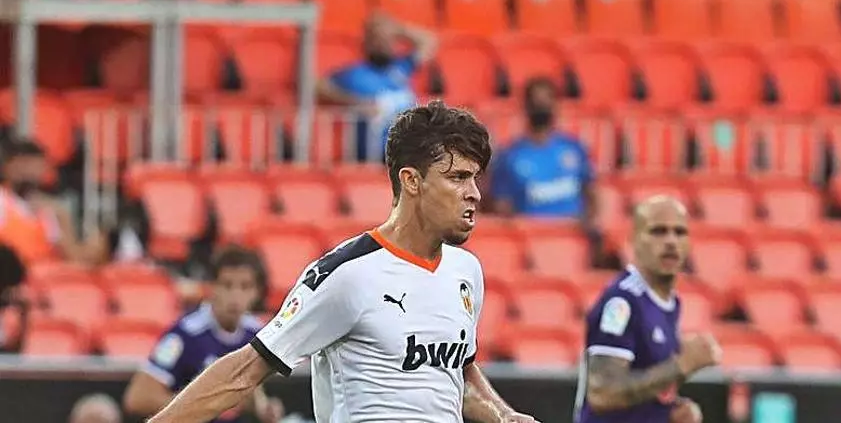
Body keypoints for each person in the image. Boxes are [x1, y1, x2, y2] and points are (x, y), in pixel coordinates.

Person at [146, 101, 538, 423]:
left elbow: (457, 372)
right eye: (457, 178)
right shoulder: (347, 275)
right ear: (412, 181)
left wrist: (503, 415)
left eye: (475, 179)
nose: (474, 194)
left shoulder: (465, 272)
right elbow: (244, 371)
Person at [573, 195, 722, 423]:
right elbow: (603, 393)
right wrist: (682, 365)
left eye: (679, 232)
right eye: (658, 231)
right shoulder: (622, 302)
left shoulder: (670, 303)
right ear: (634, 239)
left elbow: (645, 380)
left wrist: (668, 412)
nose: (671, 241)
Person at [123, 245, 285, 423]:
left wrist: (264, 409)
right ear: (212, 287)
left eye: (245, 287)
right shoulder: (184, 335)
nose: (235, 296)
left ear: (257, 292)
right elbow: (138, 398)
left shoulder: (258, 333)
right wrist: (203, 407)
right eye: (227, 285)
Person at [490, 78, 602, 258]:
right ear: (525, 106)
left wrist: (589, 222)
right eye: (536, 101)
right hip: (532, 240)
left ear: (556, 104)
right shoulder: (510, 156)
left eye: (547, 99)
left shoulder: (574, 148)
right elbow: (501, 205)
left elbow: (592, 192)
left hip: (573, 237)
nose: (541, 105)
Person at [316, 12, 437, 162]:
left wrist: (397, 29)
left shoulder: (401, 67)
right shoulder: (355, 75)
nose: (384, 44)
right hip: (379, 153)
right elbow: (317, 87)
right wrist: (357, 103)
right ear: (367, 42)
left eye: (388, 39)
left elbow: (429, 42)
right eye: (377, 39)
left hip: (412, 148)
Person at [0, 138, 104, 267]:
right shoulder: (2, 201)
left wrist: (63, 218)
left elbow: (74, 258)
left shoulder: (49, 210)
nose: (29, 173)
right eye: (24, 166)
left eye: (36, 167)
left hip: (46, 274)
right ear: (8, 167)